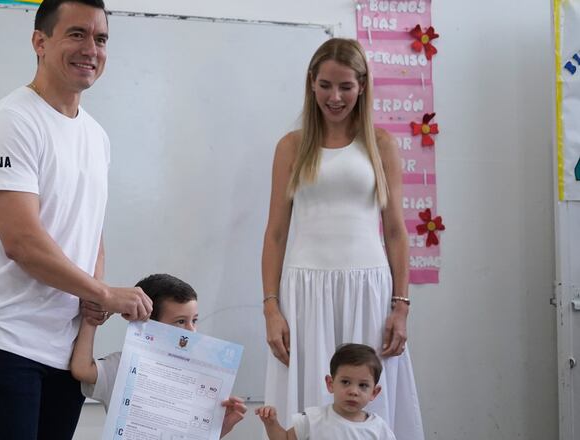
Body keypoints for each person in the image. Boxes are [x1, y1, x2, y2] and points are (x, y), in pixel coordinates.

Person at [0, 1, 153, 439]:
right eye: (77, 34)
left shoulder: (96, 136)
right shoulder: (12, 122)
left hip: (64, 348)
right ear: (40, 41)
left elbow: (90, 229)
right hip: (3, 341)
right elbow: (22, 242)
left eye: (101, 39)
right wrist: (104, 292)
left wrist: (94, 306)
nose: (91, 49)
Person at [260, 38, 423, 438]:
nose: (335, 97)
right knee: (308, 402)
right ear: (312, 83)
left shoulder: (381, 145)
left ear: (362, 86)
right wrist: (271, 308)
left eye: (346, 86)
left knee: (366, 396)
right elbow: (276, 233)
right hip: (304, 289)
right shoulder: (292, 146)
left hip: (368, 287)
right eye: (326, 85)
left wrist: (401, 306)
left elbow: (396, 232)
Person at [70, 273, 247, 438]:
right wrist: (91, 317)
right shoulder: (124, 365)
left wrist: (219, 429)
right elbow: (82, 369)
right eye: (180, 322)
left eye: (194, 320)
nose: (191, 331)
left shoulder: (200, 379)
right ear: (148, 323)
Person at [256, 344, 396, 440]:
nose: (353, 391)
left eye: (363, 385)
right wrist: (271, 423)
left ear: (374, 392)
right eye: (345, 382)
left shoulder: (379, 429)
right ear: (330, 383)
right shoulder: (313, 419)